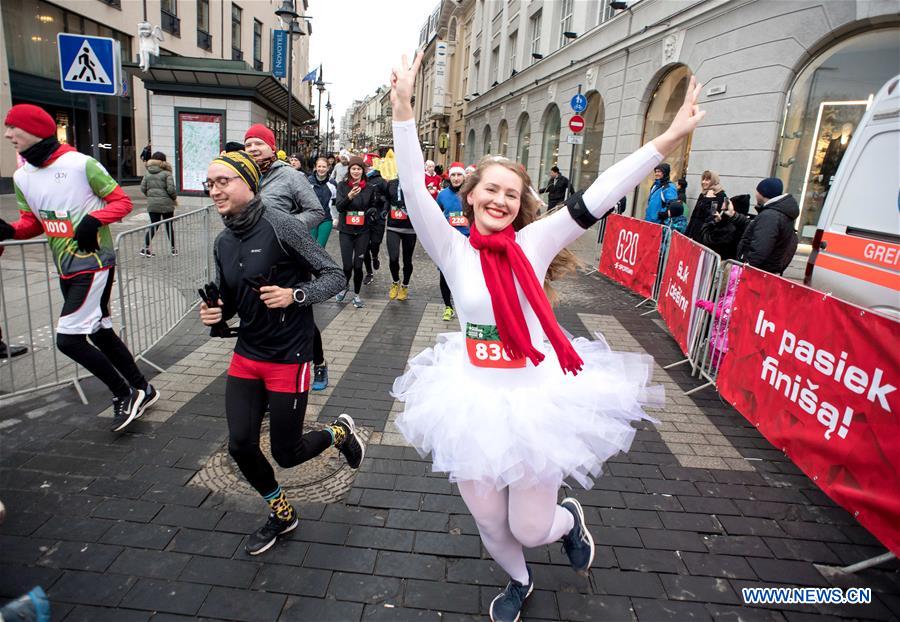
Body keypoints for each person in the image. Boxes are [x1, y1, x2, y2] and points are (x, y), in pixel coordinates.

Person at [390, 52, 704, 622]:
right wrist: (404, 113)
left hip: (536, 399)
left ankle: (567, 522)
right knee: (490, 522)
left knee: (530, 525)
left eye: (511, 193)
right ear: (471, 194)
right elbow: (413, 188)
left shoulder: (535, 242)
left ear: (520, 203)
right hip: (471, 399)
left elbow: (600, 195)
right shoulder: (451, 248)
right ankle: (518, 581)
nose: (500, 200)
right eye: (491, 190)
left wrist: (666, 140)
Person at [199, 151, 363, 554]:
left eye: (224, 181)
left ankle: (339, 431)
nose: (215, 190)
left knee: (287, 454)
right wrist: (217, 311)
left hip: (289, 356)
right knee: (240, 444)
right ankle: (282, 512)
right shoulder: (223, 240)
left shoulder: (281, 225)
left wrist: (295, 294)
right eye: (210, 183)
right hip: (247, 353)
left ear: (249, 183)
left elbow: (334, 275)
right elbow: (234, 300)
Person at [1, 103, 158, 432]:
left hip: (94, 261)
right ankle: (144, 388)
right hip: (64, 267)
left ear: (31, 129)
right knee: (99, 331)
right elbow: (34, 223)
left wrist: (93, 220)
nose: (7, 134)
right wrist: (11, 230)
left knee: (68, 339)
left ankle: (124, 393)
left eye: (12, 127)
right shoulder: (21, 176)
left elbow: (122, 202)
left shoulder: (80, 164)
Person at [335, 155, 376, 308]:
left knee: (358, 266)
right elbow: (339, 207)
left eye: (359, 169)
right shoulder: (342, 186)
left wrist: (371, 212)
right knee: (347, 266)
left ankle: (357, 295)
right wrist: (349, 197)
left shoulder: (370, 188)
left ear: (363, 171)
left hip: (363, 231)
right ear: (349, 170)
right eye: (353, 169)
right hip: (346, 230)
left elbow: (373, 206)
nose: (356, 171)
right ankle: (345, 287)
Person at [736, 177, 799, 274]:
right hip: (768, 270)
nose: (756, 193)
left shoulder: (770, 216)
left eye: (757, 191)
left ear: (763, 193)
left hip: (759, 271)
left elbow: (760, 247)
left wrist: (747, 267)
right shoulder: (777, 213)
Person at [435, 161, 468, 321]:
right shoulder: (442, 195)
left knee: (465, 275)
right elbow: (436, 213)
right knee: (445, 274)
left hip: (468, 240)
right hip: (448, 240)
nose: (456, 178)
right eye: (453, 175)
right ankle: (448, 306)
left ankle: (464, 306)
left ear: (464, 176)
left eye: (459, 175)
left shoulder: (472, 194)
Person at [139, 151, 177, 257]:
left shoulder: (147, 173)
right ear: (163, 161)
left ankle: (145, 248)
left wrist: (151, 196)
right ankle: (173, 249)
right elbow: (171, 189)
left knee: (154, 225)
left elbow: (142, 188)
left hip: (152, 204)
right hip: (166, 204)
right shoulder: (167, 173)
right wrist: (174, 198)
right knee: (169, 225)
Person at [385, 175, 416, 300]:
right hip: (393, 227)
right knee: (393, 258)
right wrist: (384, 210)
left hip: (410, 228)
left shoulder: (415, 184)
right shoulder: (392, 183)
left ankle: (405, 285)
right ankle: (395, 281)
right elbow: (387, 199)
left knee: (407, 260)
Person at [696, 194, 750, 261]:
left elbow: (706, 238)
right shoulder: (745, 226)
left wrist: (713, 221)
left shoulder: (729, 229)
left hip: (720, 263)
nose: (723, 208)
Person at [362, 154, 388, 285]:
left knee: (375, 243)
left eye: (368, 166)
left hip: (378, 217)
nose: (367, 168)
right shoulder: (362, 180)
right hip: (365, 217)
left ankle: (375, 255)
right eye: (365, 166)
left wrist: (383, 209)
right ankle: (369, 272)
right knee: (365, 245)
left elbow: (388, 197)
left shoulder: (382, 180)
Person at [685, 169, 727, 240]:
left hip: (703, 235)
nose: (703, 182)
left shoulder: (720, 196)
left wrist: (708, 198)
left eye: (707, 179)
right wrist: (687, 233)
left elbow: (711, 216)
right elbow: (694, 214)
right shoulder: (703, 194)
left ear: (714, 181)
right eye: (703, 179)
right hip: (692, 231)